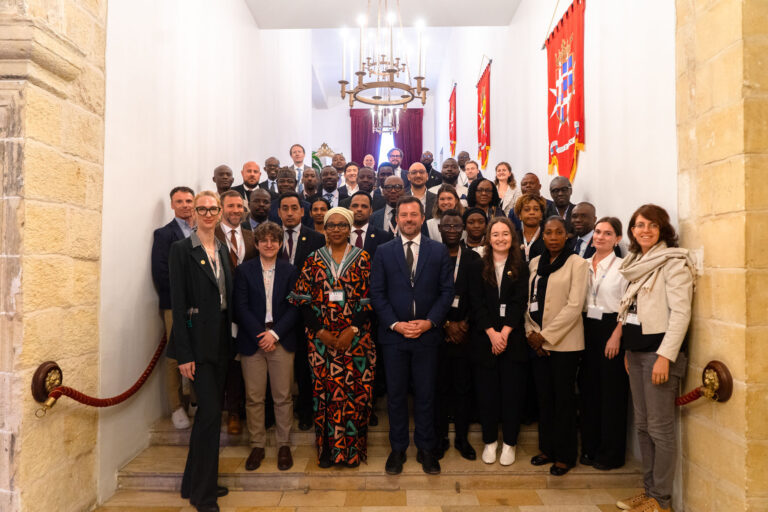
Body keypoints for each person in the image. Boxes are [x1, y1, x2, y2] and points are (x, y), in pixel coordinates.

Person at [614, 204, 694, 512]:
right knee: (643, 427)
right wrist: (628, 350)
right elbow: (631, 309)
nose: (645, 230)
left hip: (658, 356)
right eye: (639, 225)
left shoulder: (673, 263)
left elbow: (681, 314)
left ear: (663, 230)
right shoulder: (636, 262)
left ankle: (661, 500)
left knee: (660, 430)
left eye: (652, 225)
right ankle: (648, 492)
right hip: (636, 353)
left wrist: (665, 357)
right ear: (632, 230)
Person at [370, 196, 454, 475]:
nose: (408, 219)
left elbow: (446, 292)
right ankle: (397, 449)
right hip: (394, 337)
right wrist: (395, 324)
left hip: (427, 337)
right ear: (397, 219)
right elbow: (377, 293)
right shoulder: (383, 251)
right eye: (403, 215)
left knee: (426, 395)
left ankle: (426, 449)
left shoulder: (438, 251)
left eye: (413, 214)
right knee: (395, 396)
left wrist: (430, 323)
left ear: (422, 218)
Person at [288, 207, 376, 468]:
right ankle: (327, 451)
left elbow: (370, 299)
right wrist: (321, 332)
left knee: (355, 394)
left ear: (350, 229)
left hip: (356, 341)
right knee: (323, 394)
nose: (336, 229)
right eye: (331, 225)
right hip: (321, 342)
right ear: (324, 229)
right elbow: (302, 300)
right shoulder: (312, 259)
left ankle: (352, 452)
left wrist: (352, 330)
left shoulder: (363, 258)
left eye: (342, 225)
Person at [168, 191, 233, 511]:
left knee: (210, 415)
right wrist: (184, 355)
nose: (208, 214)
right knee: (209, 416)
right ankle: (203, 496)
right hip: (197, 344)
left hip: (221, 341)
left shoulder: (222, 248)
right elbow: (178, 305)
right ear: (193, 213)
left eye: (213, 209)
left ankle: (192, 482)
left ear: (220, 213)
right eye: (202, 209)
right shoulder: (182, 250)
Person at [524, 216, 588, 476]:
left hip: (565, 345)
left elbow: (575, 306)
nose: (552, 237)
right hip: (536, 341)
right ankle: (547, 448)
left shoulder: (577, 263)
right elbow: (528, 301)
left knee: (563, 401)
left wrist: (545, 336)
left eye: (558, 232)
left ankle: (565, 455)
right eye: (548, 233)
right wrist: (531, 332)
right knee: (544, 399)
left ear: (566, 235)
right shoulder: (535, 263)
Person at [234, 221, 299, 472]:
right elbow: (240, 306)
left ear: (280, 243)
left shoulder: (290, 270)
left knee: (282, 396)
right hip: (253, 341)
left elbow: (295, 306)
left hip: (281, 339)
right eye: (264, 240)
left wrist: (274, 334)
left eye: (273, 240)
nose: (269, 244)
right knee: (254, 397)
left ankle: (284, 445)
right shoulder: (244, 270)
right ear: (257, 243)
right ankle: (257, 445)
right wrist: (260, 334)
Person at [468, 217, 529, 466]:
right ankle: (490, 441)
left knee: (512, 395)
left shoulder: (522, 266)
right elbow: (476, 302)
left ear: (512, 237)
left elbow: (519, 301)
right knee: (487, 395)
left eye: (505, 234)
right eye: (495, 234)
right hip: (485, 341)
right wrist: (492, 333)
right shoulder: (476, 266)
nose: (500, 238)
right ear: (488, 238)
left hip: (512, 340)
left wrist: (504, 332)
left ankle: (510, 443)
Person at [578, 217, 629, 472]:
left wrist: (617, 335)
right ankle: (590, 447)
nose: (600, 237)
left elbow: (629, 305)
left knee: (612, 393)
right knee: (589, 390)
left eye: (608, 233)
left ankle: (611, 454)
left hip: (612, 328)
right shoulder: (582, 264)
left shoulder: (623, 267)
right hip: (586, 328)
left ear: (617, 239)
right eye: (598, 232)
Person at [277, 192, 326, 431]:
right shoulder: (270, 236)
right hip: (278, 310)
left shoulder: (317, 238)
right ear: (279, 212)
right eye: (285, 208)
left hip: (308, 311)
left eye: (294, 208)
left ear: (302, 211)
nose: (289, 213)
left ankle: (306, 409)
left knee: (306, 365)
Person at [434, 210, 480, 461]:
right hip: (438, 334)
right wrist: (446, 324)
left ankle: (462, 438)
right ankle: (440, 437)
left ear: (463, 229)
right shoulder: (432, 255)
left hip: (465, 335)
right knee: (440, 388)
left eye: (456, 226)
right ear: (439, 228)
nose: (452, 230)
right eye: (447, 226)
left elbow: (479, 296)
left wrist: (464, 324)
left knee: (463, 388)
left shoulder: (473, 258)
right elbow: (426, 294)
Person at [152, 186, 195, 430]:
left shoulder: (200, 231)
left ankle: (195, 399)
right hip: (174, 305)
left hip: (199, 305)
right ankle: (177, 406)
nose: (185, 205)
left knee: (197, 350)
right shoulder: (164, 234)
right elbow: (160, 272)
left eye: (189, 201)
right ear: (172, 205)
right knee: (175, 354)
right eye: (180, 201)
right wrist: (184, 296)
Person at [215, 191, 258, 436]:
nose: (235, 210)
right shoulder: (211, 235)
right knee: (229, 361)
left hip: (248, 308)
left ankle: (247, 408)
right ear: (221, 208)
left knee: (248, 357)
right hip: (221, 310)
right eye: (230, 206)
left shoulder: (252, 237)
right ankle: (232, 411)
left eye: (239, 206)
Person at [514, 194, 546, 263]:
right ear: (519, 215)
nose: (532, 212)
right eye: (527, 209)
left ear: (541, 215)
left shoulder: (548, 237)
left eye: (536, 209)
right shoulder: (513, 238)